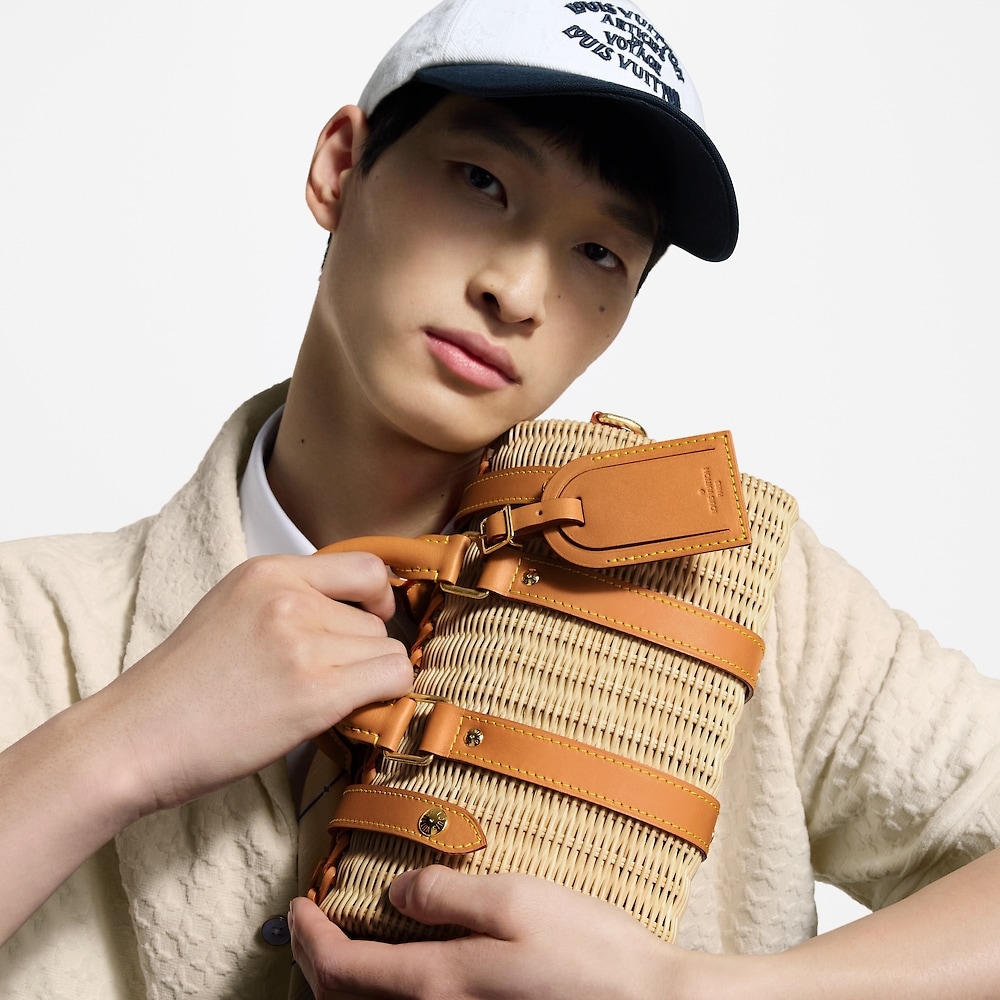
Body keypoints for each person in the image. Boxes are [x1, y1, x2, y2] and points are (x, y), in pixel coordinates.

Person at [2, 1, 998, 998]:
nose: (518, 292)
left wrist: (687, 993)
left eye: (599, 253)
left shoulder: (726, 581)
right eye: (481, 181)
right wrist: (119, 745)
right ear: (340, 167)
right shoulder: (36, 621)